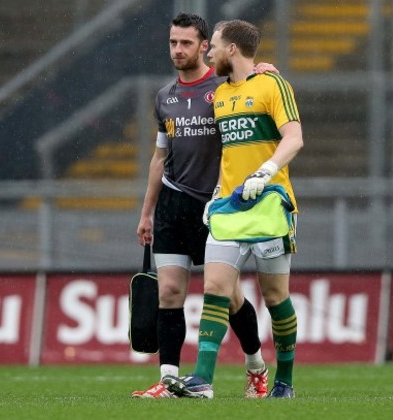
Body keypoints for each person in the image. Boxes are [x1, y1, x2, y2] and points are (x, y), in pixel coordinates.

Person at [133, 13, 274, 399]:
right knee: (169, 292)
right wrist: (147, 211)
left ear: (202, 47)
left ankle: (256, 367)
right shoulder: (165, 97)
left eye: (187, 43)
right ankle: (168, 379)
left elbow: (256, 84)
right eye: (173, 43)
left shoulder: (226, 87)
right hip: (172, 204)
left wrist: (264, 70)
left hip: (216, 206)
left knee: (229, 297)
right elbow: (159, 158)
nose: (178, 50)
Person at [163, 19, 303, 399]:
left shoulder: (272, 84)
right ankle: (203, 380)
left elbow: (294, 137)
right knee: (214, 289)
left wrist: (266, 171)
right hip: (229, 208)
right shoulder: (221, 95)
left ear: (231, 50)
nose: (207, 53)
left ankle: (285, 382)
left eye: (214, 46)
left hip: (271, 203)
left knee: (275, 297)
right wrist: (216, 196)